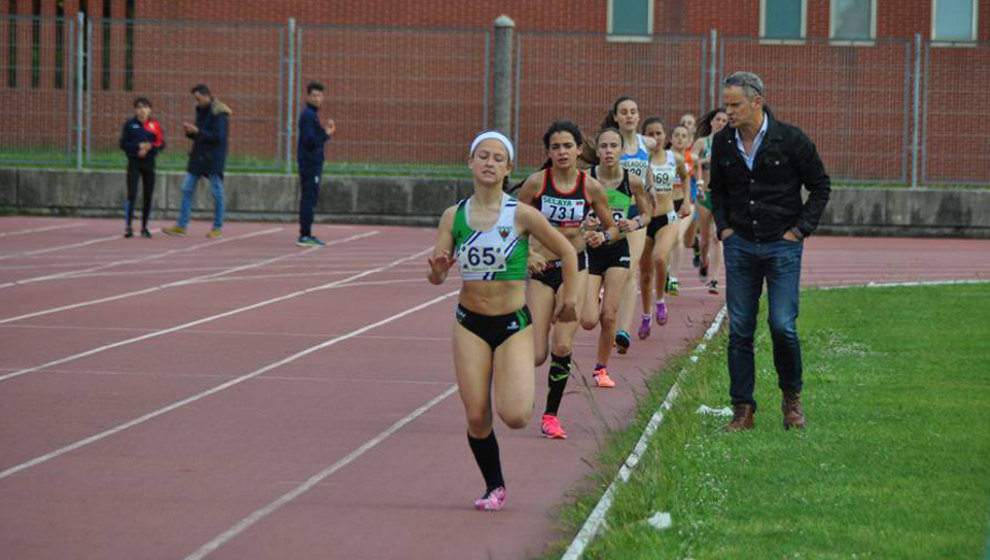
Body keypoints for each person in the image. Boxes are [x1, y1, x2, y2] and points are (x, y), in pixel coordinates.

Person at [427, 131, 578, 511]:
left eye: (498, 158)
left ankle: (520, 392)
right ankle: (494, 486)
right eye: (483, 156)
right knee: (477, 413)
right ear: (470, 162)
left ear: (509, 168)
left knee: (513, 415)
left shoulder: (522, 214)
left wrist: (571, 299)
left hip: (513, 324)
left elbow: (567, 253)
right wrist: (439, 271)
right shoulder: (454, 216)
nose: (489, 163)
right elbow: (436, 273)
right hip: (469, 324)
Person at [709, 71, 831, 432]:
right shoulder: (723, 143)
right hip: (740, 244)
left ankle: (792, 400)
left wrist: (800, 230)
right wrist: (725, 229)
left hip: (782, 245)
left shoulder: (791, 140)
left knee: (782, 326)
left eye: (735, 105)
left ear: (756, 101)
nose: (728, 111)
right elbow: (716, 191)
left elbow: (820, 186)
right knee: (741, 329)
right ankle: (742, 409)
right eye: (726, 104)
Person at [515, 120, 619, 439]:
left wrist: (604, 236)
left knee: (562, 344)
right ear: (548, 151)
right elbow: (513, 226)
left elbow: (612, 227)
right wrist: (527, 254)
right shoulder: (535, 184)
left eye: (568, 146)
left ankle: (550, 416)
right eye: (556, 147)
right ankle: (517, 323)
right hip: (542, 270)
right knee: (536, 355)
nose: (562, 152)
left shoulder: (590, 187)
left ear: (578, 149)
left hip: (575, 269)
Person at [580, 128, 652, 385]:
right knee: (589, 320)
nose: (609, 151)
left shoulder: (632, 181)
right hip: (591, 252)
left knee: (609, 314)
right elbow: (574, 217)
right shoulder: (586, 179)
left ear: (622, 151)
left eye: (614, 146)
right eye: (604, 146)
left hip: (618, 251)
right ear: (597, 151)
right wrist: (584, 223)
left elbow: (646, 214)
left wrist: (635, 223)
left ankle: (601, 369)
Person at [590, 96, 657, 355]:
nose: (629, 116)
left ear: (639, 116)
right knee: (607, 263)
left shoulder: (646, 143)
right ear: (616, 117)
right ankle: (600, 295)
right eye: (624, 112)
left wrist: (649, 189)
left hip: (632, 214)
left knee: (630, 270)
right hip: (607, 209)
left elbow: (648, 170)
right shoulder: (610, 143)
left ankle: (623, 330)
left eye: (633, 111)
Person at [637, 117, 688, 340]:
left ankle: (660, 302)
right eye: (650, 134)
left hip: (667, 217)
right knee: (645, 274)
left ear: (665, 136)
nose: (655, 138)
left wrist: (686, 201)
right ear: (643, 137)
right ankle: (646, 315)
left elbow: (686, 178)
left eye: (659, 133)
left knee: (660, 258)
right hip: (644, 220)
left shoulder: (673, 157)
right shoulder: (639, 160)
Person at [162, 84, 231, 239]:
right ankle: (181, 226)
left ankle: (217, 227)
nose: (196, 102)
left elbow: (217, 137)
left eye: (198, 98)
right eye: (195, 99)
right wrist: (191, 133)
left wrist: (198, 132)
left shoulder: (219, 112)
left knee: (217, 192)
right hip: (198, 157)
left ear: (207, 96)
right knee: (186, 189)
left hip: (212, 159)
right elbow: (202, 135)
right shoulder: (201, 110)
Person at [691, 107, 729, 294]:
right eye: (718, 120)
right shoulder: (702, 142)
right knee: (705, 239)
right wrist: (703, 160)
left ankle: (714, 279)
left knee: (717, 238)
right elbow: (691, 161)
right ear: (712, 122)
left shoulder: (731, 144)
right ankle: (703, 259)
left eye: (725, 121)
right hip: (705, 195)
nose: (721, 123)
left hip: (723, 197)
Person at [296, 81, 337, 247]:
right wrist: (326, 134)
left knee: (310, 198)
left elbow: (314, 136)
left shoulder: (312, 115)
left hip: (313, 164)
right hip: (309, 164)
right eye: (314, 95)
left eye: (320, 95)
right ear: (308, 96)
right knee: (308, 198)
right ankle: (305, 235)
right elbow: (310, 141)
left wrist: (324, 129)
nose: (317, 98)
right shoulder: (307, 115)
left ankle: (306, 233)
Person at [118, 97, 165, 239]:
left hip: (149, 163)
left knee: (148, 195)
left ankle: (144, 227)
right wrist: (137, 147)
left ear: (150, 110)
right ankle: (129, 226)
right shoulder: (130, 125)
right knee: (132, 193)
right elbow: (123, 144)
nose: (142, 110)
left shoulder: (155, 125)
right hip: (134, 163)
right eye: (138, 107)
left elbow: (161, 144)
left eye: (145, 107)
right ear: (135, 110)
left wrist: (149, 148)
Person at [666, 123, 695, 296]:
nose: (680, 139)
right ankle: (667, 270)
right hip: (666, 204)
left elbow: (694, 178)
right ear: (671, 138)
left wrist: (692, 195)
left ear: (689, 140)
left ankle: (674, 279)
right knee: (666, 240)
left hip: (684, 202)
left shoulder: (692, 159)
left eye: (684, 136)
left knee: (677, 237)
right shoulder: (664, 157)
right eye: (677, 135)